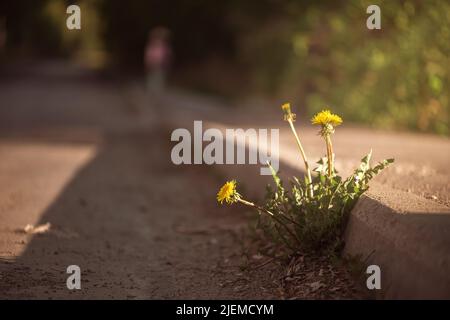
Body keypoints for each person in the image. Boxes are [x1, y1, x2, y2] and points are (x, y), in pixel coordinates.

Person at [144, 27, 172, 95]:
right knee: (154, 76)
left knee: (159, 76)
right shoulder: (153, 44)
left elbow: (167, 54)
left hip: (161, 62)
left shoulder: (164, 45)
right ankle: (153, 90)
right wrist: (148, 60)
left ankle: (157, 90)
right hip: (154, 61)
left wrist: (168, 60)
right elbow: (149, 53)